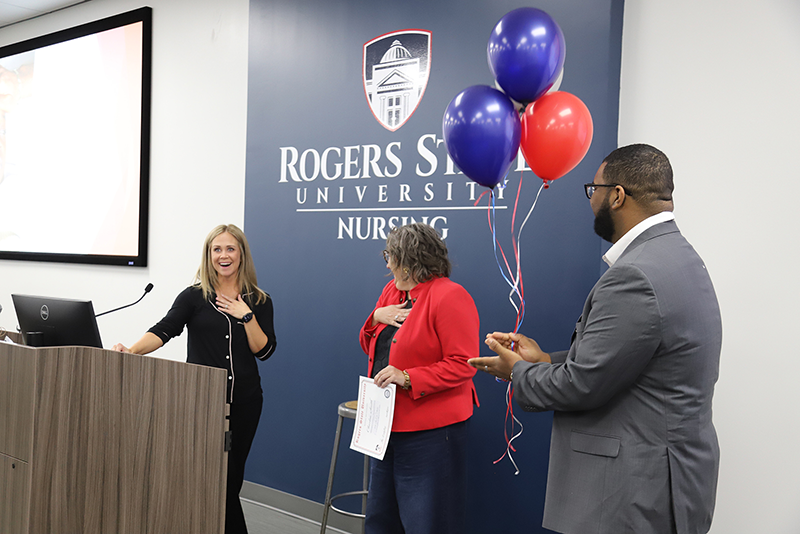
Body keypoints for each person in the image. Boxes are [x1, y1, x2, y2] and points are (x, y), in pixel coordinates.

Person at [470, 144, 722, 534]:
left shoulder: (635, 275)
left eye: (595, 189)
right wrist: (546, 361)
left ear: (617, 196)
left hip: (632, 494)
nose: (593, 200)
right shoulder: (680, 256)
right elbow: (631, 360)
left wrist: (517, 371)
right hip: (670, 482)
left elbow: (581, 385)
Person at [113, 223, 276, 534]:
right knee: (204, 480)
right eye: (217, 249)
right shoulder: (194, 297)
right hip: (201, 402)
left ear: (241, 254)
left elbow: (265, 351)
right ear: (208, 255)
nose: (223, 255)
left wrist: (246, 315)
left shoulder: (259, 301)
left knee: (229, 482)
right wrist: (132, 351)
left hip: (244, 403)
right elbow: (165, 330)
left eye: (230, 249)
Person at [360, 222, 479, 534]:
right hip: (387, 425)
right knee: (380, 519)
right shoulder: (392, 291)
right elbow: (369, 344)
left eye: (391, 256)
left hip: (430, 431)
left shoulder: (450, 296)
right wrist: (375, 318)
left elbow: (463, 364)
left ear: (410, 261)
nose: (387, 263)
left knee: (426, 522)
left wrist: (408, 377)